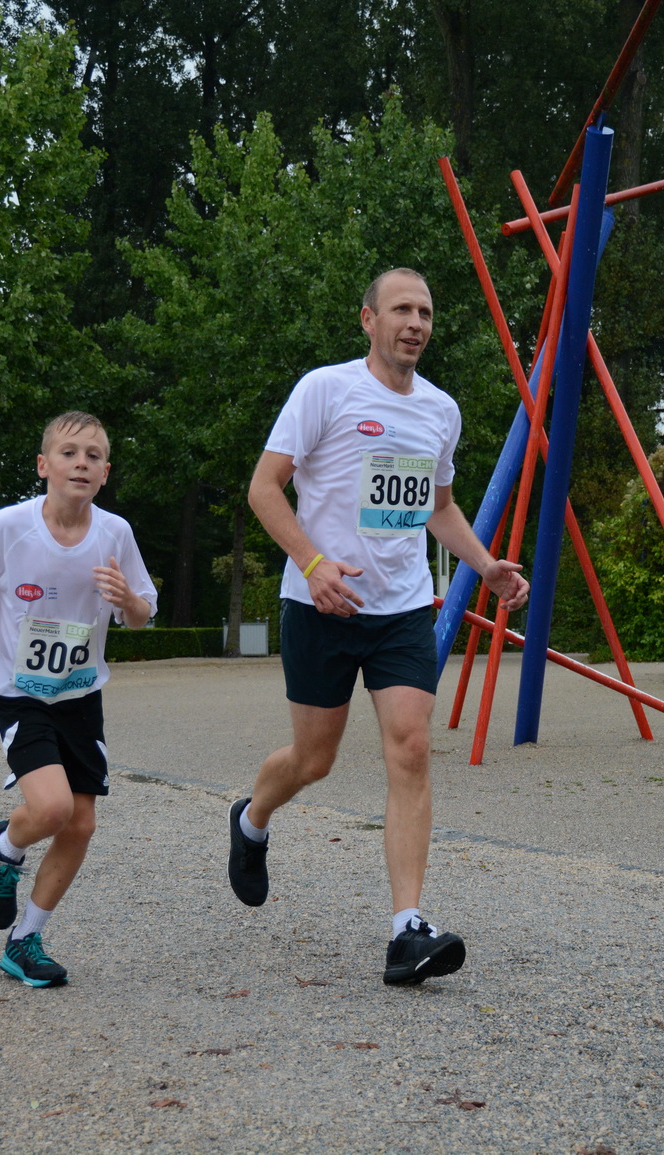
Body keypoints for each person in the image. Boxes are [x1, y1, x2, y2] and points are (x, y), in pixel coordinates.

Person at [228, 267, 529, 986]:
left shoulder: (440, 411)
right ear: (368, 319)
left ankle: (407, 931)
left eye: (425, 311)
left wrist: (484, 565)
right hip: (320, 605)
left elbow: (438, 505)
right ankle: (251, 818)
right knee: (314, 757)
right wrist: (313, 561)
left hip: (401, 607)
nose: (415, 323)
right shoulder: (324, 390)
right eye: (401, 309)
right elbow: (263, 488)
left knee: (412, 748)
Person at [0, 411, 157, 988]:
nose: (80, 462)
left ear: (105, 472)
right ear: (43, 466)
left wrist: (128, 599)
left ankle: (24, 939)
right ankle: (5, 847)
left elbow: (142, 614)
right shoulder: (9, 527)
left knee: (80, 824)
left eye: (93, 455)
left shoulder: (116, 534)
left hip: (80, 692)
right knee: (54, 809)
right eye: (68, 453)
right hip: (19, 692)